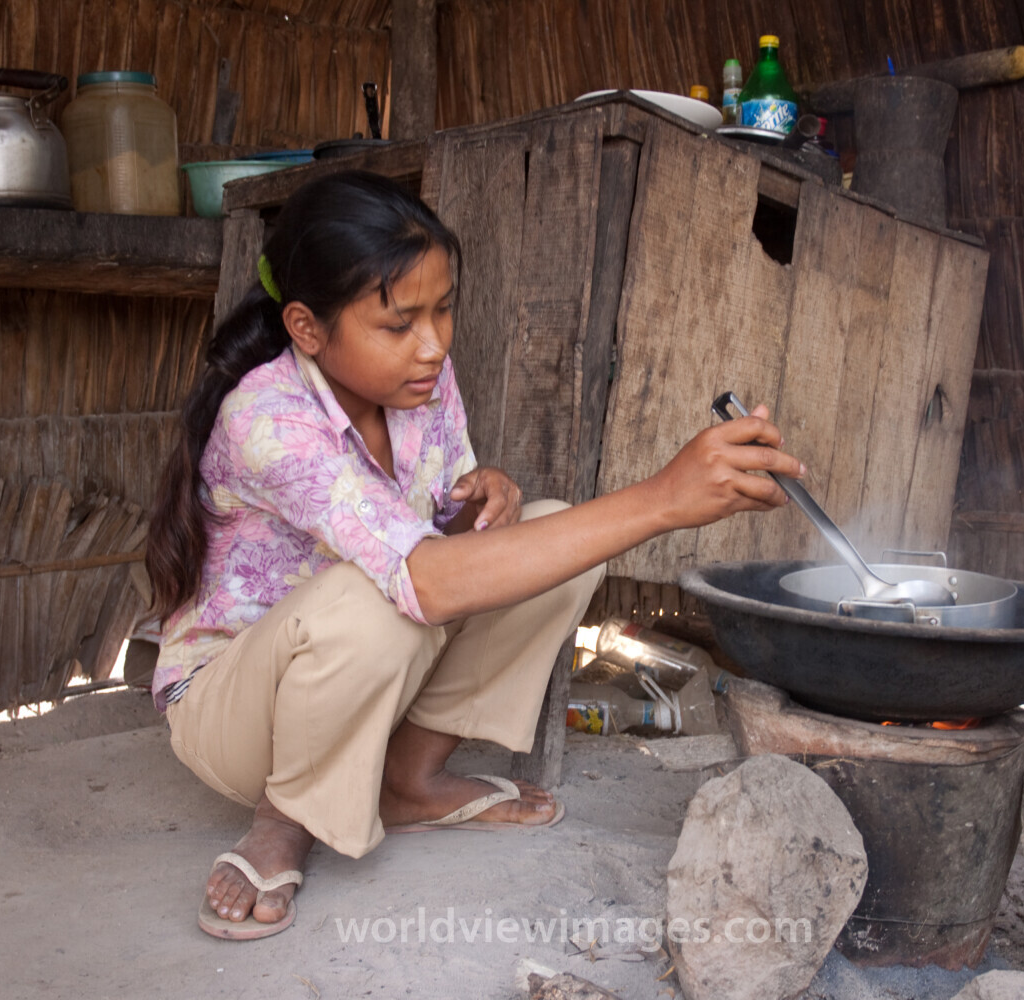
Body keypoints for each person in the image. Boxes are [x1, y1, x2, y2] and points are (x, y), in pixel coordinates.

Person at [144, 170, 803, 940]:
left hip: (358, 672)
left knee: (557, 536)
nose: (433, 345)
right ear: (307, 327)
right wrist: (661, 499)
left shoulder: (423, 384)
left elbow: (440, 547)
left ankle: (409, 778)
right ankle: (284, 815)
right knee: (376, 598)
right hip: (235, 712)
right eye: (398, 325)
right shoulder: (266, 418)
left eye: (443, 309)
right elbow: (416, 580)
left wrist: (477, 503)